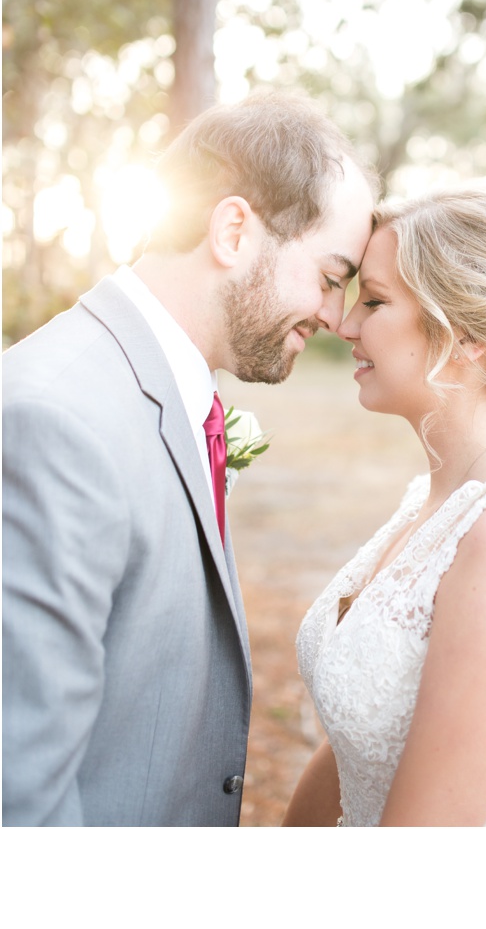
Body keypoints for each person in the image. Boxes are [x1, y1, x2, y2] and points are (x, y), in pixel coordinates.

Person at [3, 94, 378, 826]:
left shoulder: (169, 392)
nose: (336, 316)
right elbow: (19, 792)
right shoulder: (56, 424)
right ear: (235, 230)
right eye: (331, 277)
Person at [284, 183, 486, 826]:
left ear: (465, 333)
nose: (344, 323)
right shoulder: (435, 502)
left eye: (374, 301)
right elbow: (361, 745)